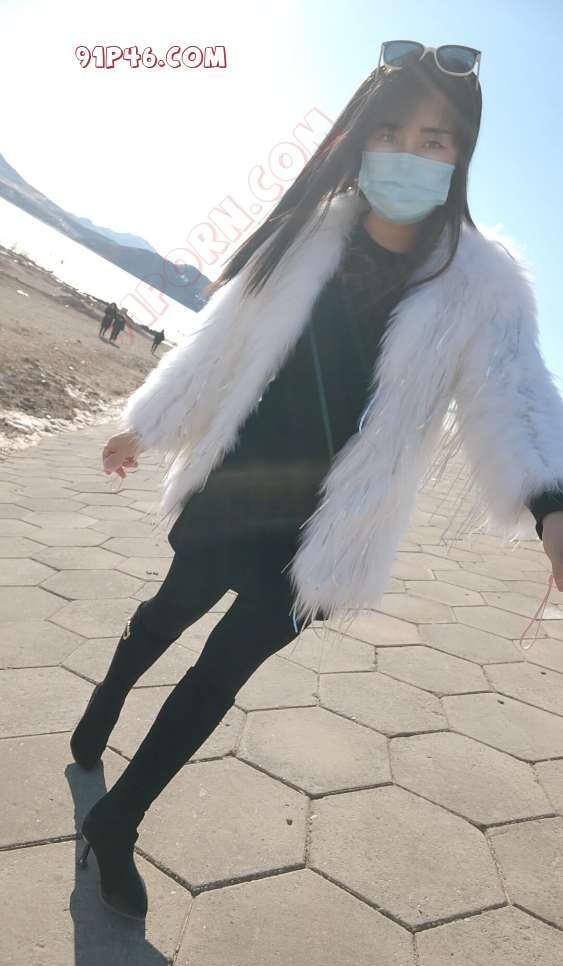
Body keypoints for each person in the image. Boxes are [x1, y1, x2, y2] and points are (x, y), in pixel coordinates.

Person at [71, 43, 563, 920]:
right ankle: (107, 698)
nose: (409, 154)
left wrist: (551, 507)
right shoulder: (308, 234)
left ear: (460, 156)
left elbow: (516, 393)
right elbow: (221, 346)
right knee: (167, 615)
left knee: (220, 674)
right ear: (359, 138)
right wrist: (144, 427)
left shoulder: (483, 284)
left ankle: (119, 820)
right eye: (390, 132)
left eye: (435, 141)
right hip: (241, 485)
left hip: (331, 528)